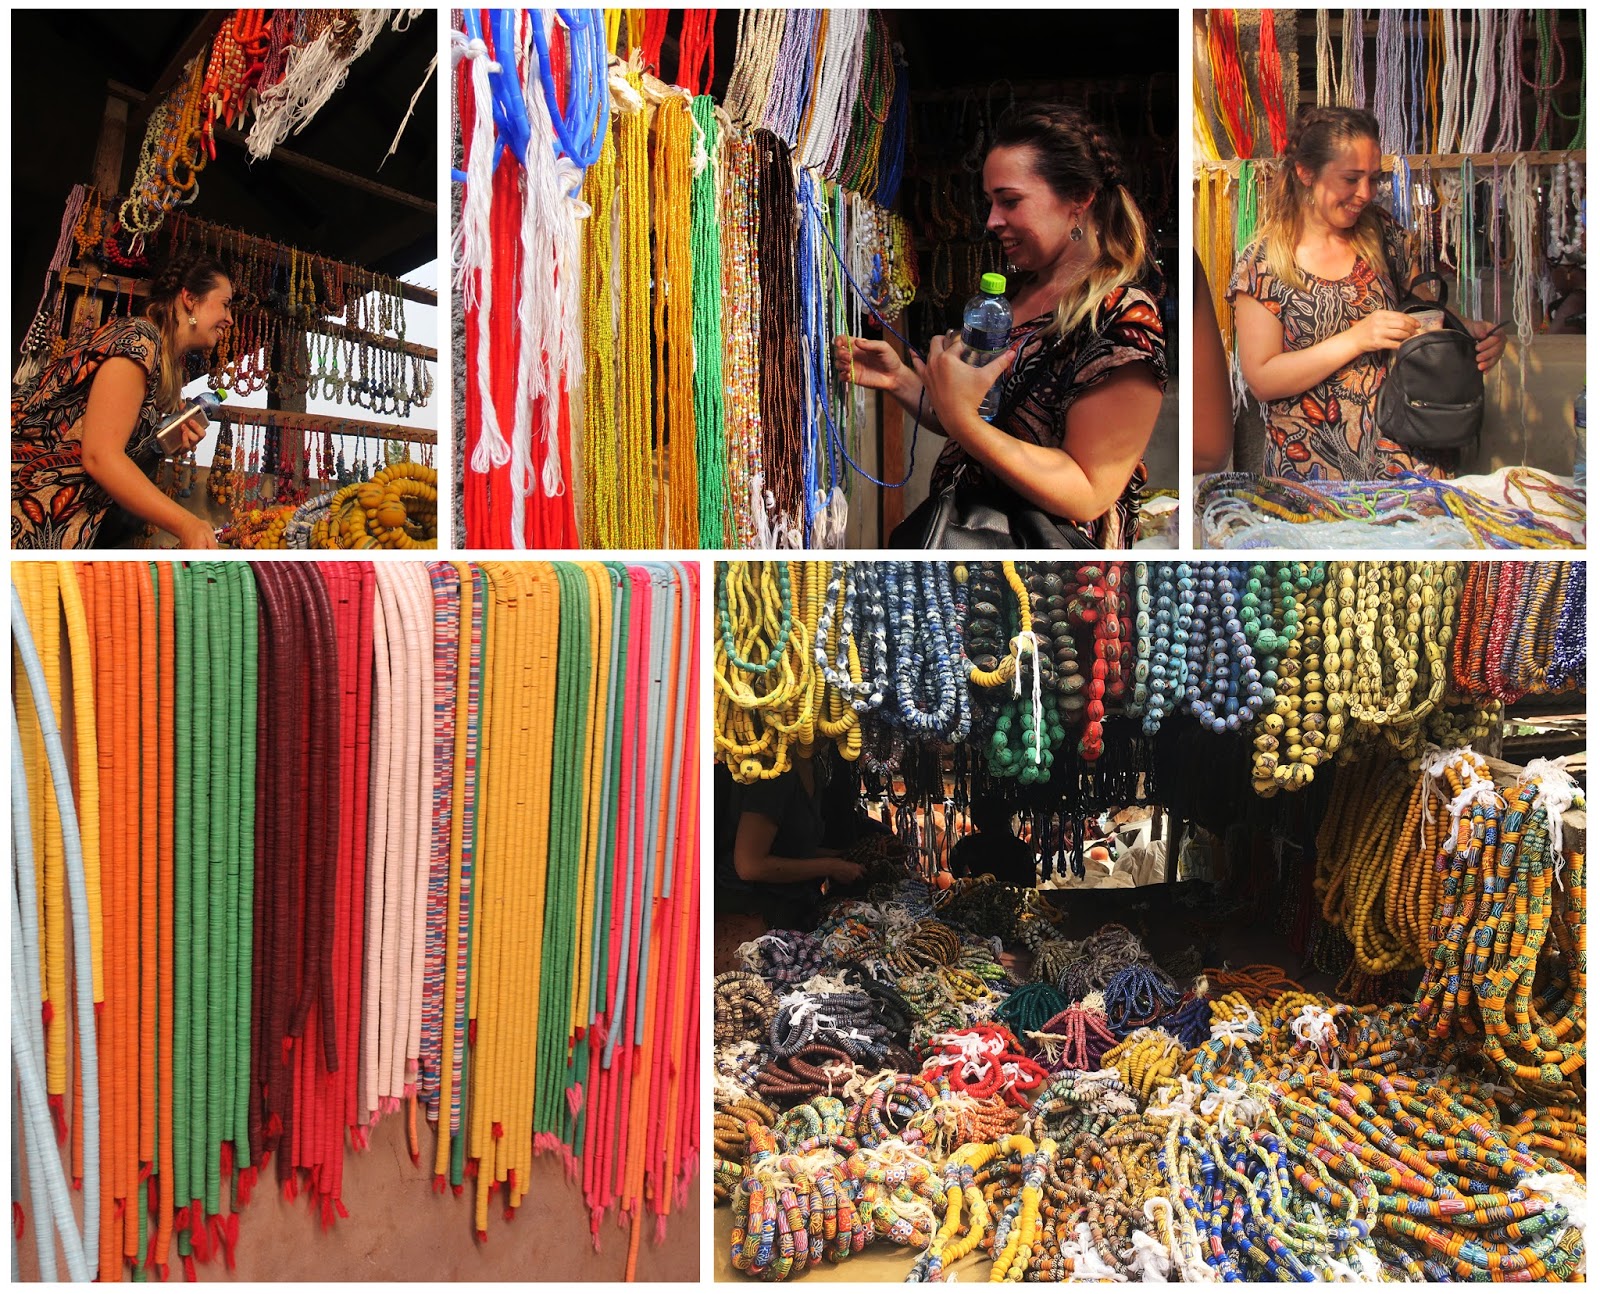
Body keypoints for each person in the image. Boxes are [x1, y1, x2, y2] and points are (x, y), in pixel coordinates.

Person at [834, 104, 1167, 548]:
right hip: (970, 543)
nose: (992, 221)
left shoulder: (1123, 320)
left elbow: (1087, 491)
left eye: (1009, 201)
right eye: (991, 202)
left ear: (1079, 197)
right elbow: (987, 416)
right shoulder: (1020, 296)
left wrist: (962, 422)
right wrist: (903, 382)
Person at [1230, 106, 1505, 482]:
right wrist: (1357, 338)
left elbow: (1425, 315)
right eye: (1351, 178)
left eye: (1374, 179)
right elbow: (1262, 378)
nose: (1365, 193)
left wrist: (1467, 334)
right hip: (1314, 477)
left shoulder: (1383, 235)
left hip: (1412, 466)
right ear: (1305, 173)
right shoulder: (1263, 263)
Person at [13, 254, 232, 549]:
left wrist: (159, 445)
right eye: (225, 304)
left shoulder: (163, 367)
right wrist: (187, 523)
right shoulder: (138, 339)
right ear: (190, 299)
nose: (230, 319)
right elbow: (100, 457)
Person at [715, 753, 864, 948]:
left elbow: (790, 848)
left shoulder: (812, 768)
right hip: (750, 915)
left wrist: (838, 858)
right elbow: (749, 866)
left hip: (787, 909)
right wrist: (830, 866)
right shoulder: (772, 774)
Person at [947, 794, 1038, 888]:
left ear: (977, 821)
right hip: (1014, 897)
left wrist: (968, 880)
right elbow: (1030, 882)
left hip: (980, 896)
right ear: (1007, 819)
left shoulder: (968, 844)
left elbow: (956, 866)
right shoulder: (1020, 847)